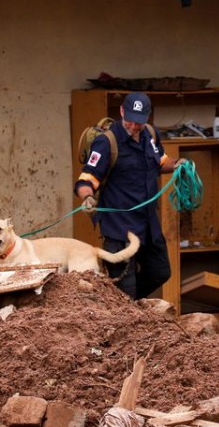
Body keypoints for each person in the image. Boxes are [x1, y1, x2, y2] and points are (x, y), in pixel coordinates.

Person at [74, 92, 183, 299]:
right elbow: (86, 180)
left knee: (161, 272)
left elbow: (161, 160)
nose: (134, 127)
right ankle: (124, 307)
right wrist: (87, 197)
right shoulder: (107, 143)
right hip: (119, 230)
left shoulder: (150, 134)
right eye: (130, 121)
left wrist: (178, 164)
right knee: (126, 289)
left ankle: (122, 305)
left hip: (148, 225)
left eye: (139, 123)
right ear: (122, 111)